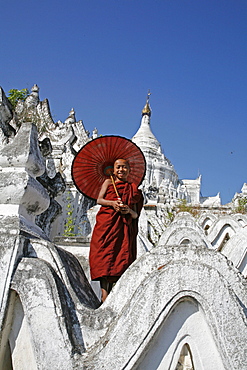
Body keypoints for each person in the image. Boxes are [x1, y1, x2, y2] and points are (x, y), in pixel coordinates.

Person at [89, 158, 144, 302]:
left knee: (120, 257)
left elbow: (136, 214)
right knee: (103, 255)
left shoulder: (133, 189)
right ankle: (104, 294)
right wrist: (113, 203)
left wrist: (127, 210)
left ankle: (116, 293)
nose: (121, 170)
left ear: (129, 170)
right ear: (113, 170)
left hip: (123, 226)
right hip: (107, 223)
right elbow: (99, 200)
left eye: (125, 167)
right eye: (118, 167)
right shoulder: (108, 183)